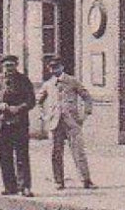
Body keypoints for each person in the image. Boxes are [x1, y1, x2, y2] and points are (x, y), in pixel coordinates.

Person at [36, 56, 95, 191]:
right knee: (56, 153)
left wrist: (85, 114)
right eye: (51, 67)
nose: (54, 70)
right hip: (55, 123)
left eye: (56, 67)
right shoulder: (48, 84)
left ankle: (86, 180)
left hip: (72, 122)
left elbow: (86, 97)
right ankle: (58, 181)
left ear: (62, 67)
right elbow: (38, 101)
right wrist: (44, 116)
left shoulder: (72, 81)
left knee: (78, 152)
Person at [0, 54, 36, 197]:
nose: (9, 69)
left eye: (11, 65)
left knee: (22, 155)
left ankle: (25, 186)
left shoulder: (24, 80)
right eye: (6, 66)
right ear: (2, 67)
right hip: (3, 122)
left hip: (19, 122)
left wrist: (19, 108)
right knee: (5, 155)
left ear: (16, 66)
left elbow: (31, 101)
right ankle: (9, 186)